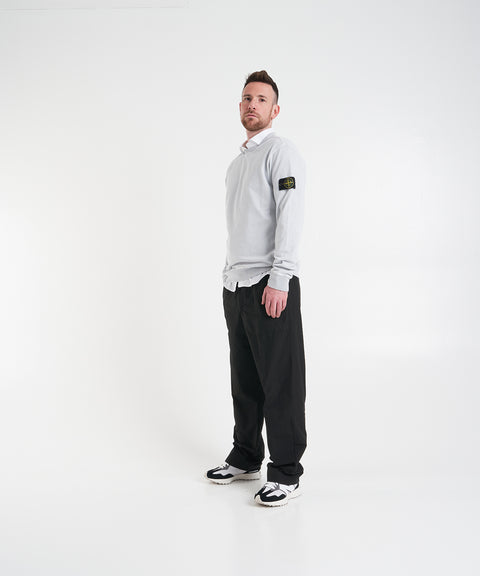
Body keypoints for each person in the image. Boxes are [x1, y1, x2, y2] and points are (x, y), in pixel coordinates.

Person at [205, 70, 307, 507]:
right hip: (237, 286)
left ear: (275, 109)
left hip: (270, 284)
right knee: (244, 380)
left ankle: (285, 472)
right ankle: (246, 456)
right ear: (239, 106)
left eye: (262, 99)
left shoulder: (280, 153)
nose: (252, 104)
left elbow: (290, 215)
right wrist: (229, 277)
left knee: (280, 382)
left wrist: (280, 277)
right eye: (247, 98)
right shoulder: (237, 163)